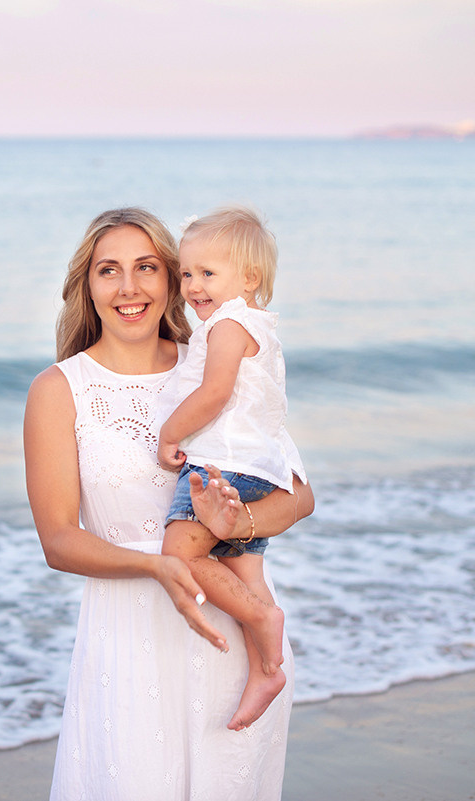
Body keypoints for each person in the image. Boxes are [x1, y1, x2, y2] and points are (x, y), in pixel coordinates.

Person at [23, 207, 314, 801]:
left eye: (147, 267)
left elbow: (299, 496)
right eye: (109, 270)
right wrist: (160, 565)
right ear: (87, 286)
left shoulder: (215, 362)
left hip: (235, 640)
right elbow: (58, 541)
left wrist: (236, 521)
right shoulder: (59, 389)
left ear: (172, 279)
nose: (128, 287)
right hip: (128, 642)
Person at [158, 206, 308, 733]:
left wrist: (170, 433)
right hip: (258, 466)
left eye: (208, 272)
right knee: (244, 568)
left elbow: (215, 392)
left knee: (180, 552)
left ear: (249, 279)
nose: (193, 286)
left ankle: (264, 619)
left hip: (225, 463)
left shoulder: (227, 325)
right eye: (186, 273)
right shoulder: (254, 326)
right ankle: (268, 670)